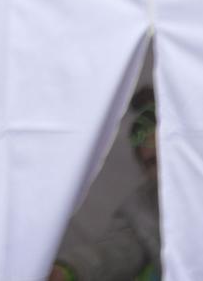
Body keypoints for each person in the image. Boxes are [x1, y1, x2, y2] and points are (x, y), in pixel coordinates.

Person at [50, 89, 161, 281]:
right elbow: (117, 251)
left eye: (167, 154)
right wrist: (70, 268)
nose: (162, 169)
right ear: (143, 169)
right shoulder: (141, 208)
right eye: (152, 162)